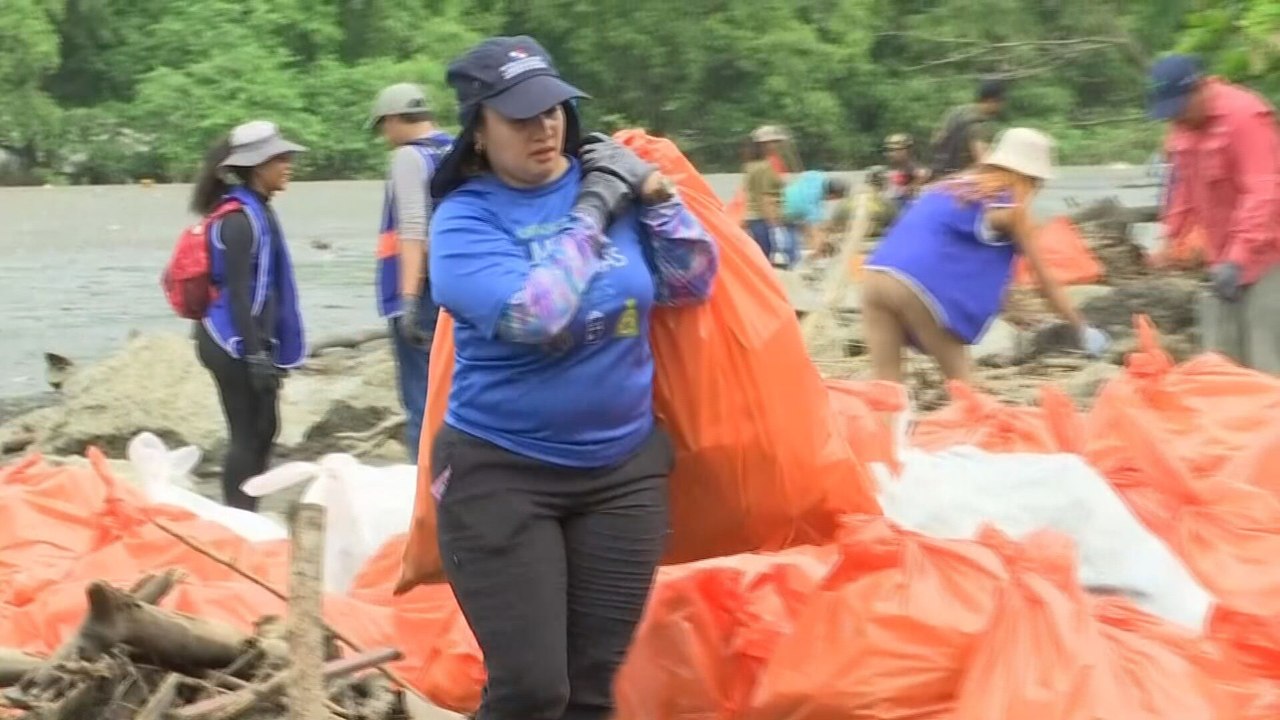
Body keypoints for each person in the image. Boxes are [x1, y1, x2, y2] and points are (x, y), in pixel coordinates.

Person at [426, 36, 719, 720]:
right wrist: (596, 208)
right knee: (532, 692)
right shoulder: (464, 221)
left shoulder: (608, 183)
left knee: (590, 692)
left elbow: (692, 281)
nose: (546, 125)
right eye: (522, 115)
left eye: (555, 108)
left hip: (622, 475)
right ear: (479, 132)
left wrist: (655, 194)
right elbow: (538, 316)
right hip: (500, 475)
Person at [861, 128, 1109, 384]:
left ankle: (884, 424)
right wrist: (1081, 328)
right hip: (919, 285)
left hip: (875, 276)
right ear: (1032, 178)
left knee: (885, 389)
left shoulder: (946, 187)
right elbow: (1044, 282)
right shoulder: (1010, 209)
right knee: (965, 392)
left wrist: (1014, 310)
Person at [190, 121, 307, 510]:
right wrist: (256, 355)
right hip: (229, 340)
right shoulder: (236, 220)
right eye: (281, 159)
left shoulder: (260, 211)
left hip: (251, 339)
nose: (288, 165)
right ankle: (238, 518)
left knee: (265, 428)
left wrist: (268, 350)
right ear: (258, 166)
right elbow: (239, 295)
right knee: (245, 433)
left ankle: (248, 512)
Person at [1150, 54, 1280, 372]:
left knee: (1267, 356)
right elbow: (1183, 186)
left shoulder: (1244, 117)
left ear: (1200, 88)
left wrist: (1239, 257)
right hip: (1223, 258)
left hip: (1268, 254)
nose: (1175, 118)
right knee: (1221, 361)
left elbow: (1264, 192)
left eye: (1180, 108)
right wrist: (1169, 235)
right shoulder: (1182, 128)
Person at [366, 83, 456, 461]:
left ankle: (421, 493)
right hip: (456, 289)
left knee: (421, 397)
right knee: (453, 391)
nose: (386, 136)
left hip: (421, 293)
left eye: (384, 127)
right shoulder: (457, 149)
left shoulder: (408, 157)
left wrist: (405, 301)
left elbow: (413, 229)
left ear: (394, 119)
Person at [928, 78, 1006, 180]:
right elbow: (983, 162)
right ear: (992, 101)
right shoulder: (981, 125)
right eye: (1001, 102)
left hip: (937, 174)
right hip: (960, 181)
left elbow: (936, 140)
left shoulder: (955, 112)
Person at [781, 170, 849, 267]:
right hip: (786, 215)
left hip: (784, 198)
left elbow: (804, 175)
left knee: (805, 226)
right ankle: (795, 266)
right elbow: (814, 232)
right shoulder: (813, 206)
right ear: (831, 195)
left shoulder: (816, 176)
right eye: (833, 199)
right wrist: (818, 251)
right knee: (794, 248)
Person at [742, 126, 789, 261]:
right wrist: (775, 225)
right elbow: (766, 197)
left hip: (753, 218)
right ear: (763, 145)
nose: (777, 146)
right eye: (773, 142)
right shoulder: (766, 167)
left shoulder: (750, 165)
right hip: (763, 218)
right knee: (767, 260)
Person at [883, 133, 928, 208]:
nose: (890, 154)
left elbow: (923, 175)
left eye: (895, 150)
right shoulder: (894, 170)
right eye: (889, 150)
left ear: (907, 150)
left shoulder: (917, 171)